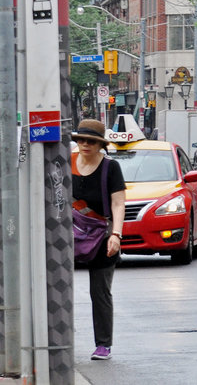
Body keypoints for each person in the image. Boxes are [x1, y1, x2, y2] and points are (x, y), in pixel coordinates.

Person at [71, 119, 126, 362]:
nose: (84, 144)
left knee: (100, 292)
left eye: (91, 141)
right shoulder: (66, 163)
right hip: (67, 235)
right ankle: (55, 339)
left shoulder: (110, 168)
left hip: (100, 236)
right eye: (81, 139)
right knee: (54, 287)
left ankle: (103, 344)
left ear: (100, 144)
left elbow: (118, 203)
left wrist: (116, 234)